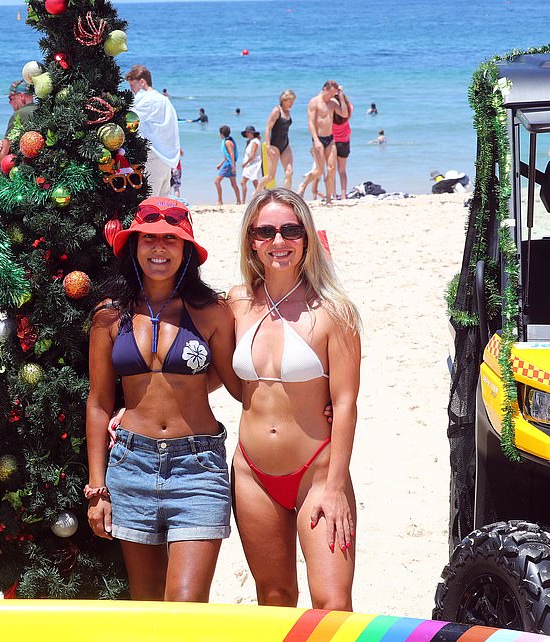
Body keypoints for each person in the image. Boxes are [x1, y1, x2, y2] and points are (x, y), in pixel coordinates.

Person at [86, 196, 238, 602]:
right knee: (147, 605)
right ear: (133, 246)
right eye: (149, 238)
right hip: (130, 466)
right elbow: (99, 403)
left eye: (170, 239)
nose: (159, 248)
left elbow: (239, 383)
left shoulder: (211, 311)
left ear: (186, 249)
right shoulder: (108, 316)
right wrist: (97, 488)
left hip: (198, 468)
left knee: (185, 608)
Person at [227, 188, 361, 609]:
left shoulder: (334, 312)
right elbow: (200, 368)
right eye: (265, 231)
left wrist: (337, 486)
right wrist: (130, 409)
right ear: (251, 239)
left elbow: (345, 403)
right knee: (274, 599)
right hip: (251, 475)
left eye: (290, 230)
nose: (278, 242)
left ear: (306, 237)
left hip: (316, 475)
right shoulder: (235, 303)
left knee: (333, 605)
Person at [125, 65, 181, 198]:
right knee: (162, 203)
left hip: (153, 158)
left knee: (150, 204)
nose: (132, 92)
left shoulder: (148, 100)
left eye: (133, 87)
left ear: (142, 82)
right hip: (165, 159)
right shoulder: (164, 100)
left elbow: (128, 118)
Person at [298, 81, 347, 205]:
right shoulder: (314, 102)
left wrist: (341, 97)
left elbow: (344, 113)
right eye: (332, 92)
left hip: (330, 139)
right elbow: (310, 122)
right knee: (319, 170)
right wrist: (316, 140)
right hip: (318, 139)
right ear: (325, 89)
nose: (333, 95)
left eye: (335, 93)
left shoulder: (333, 103)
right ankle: (303, 185)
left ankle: (329, 198)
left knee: (331, 168)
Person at [256, 90, 296, 192]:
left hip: (285, 145)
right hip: (274, 145)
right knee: (270, 176)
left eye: (293, 101)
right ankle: (257, 191)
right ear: (284, 100)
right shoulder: (277, 111)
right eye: (290, 101)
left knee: (289, 172)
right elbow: (268, 128)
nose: (292, 104)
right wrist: (268, 146)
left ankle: (287, 195)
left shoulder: (288, 112)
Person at [0, 80, 36, 162]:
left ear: (21, 97)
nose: (9, 103)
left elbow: (5, 152)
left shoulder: (18, 115)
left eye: (11, 98)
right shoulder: (43, 110)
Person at [332, 91, 354, 200]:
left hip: (332, 142)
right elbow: (349, 106)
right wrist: (342, 96)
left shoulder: (330, 110)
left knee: (331, 169)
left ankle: (334, 195)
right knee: (342, 171)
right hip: (344, 142)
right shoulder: (349, 108)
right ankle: (344, 195)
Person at [214, 125, 241, 206]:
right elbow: (227, 156)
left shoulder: (227, 142)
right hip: (228, 163)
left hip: (229, 165)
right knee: (233, 184)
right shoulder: (228, 141)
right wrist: (220, 164)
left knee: (217, 182)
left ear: (222, 134)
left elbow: (232, 154)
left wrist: (233, 166)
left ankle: (220, 201)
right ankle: (239, 201)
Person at [240, 125, 262, 204]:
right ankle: (260, 197)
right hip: (251, 164)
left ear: (252, 133)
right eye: (246, 133)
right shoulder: (252, 141)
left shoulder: (255, 142)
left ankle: (244, 201)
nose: (247, 134)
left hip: (253, 164)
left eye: (248, 132)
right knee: (253, 181)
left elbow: (252, 156)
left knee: (246, 182)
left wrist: (245, 163)